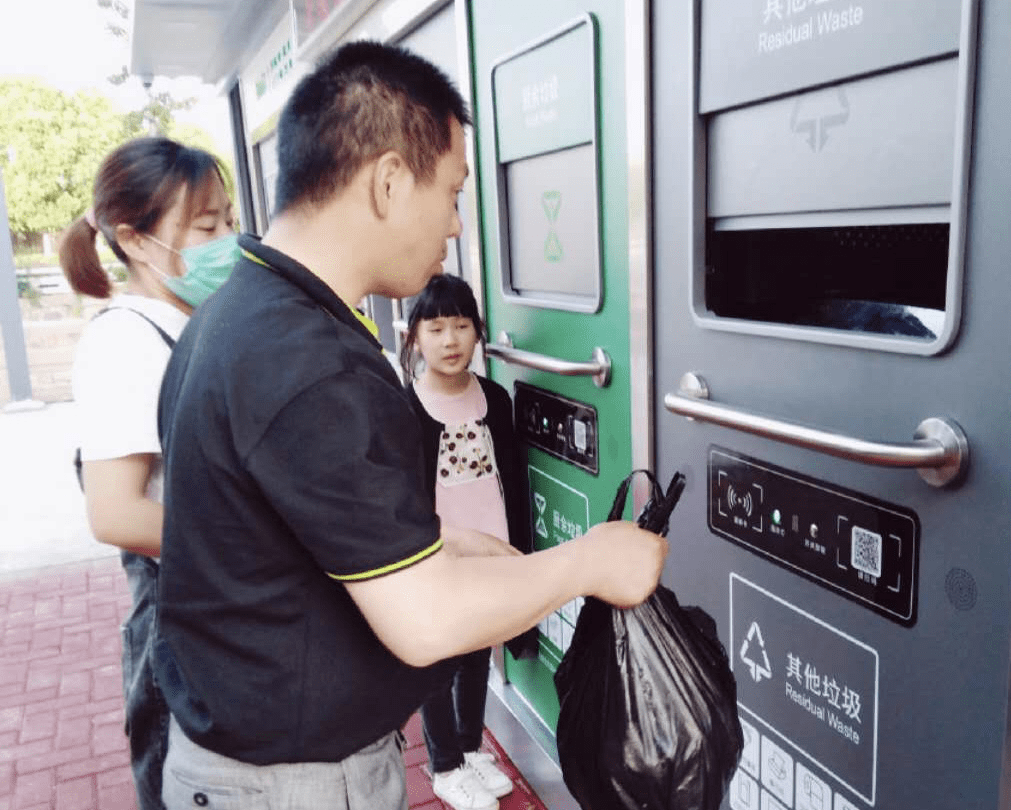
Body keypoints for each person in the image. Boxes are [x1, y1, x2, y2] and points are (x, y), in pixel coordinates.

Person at [153, 40, 667, 810]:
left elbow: (286, 526)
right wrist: (591, 562)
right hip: (293, 784)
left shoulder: (235, 317)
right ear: (390, 181)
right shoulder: (306, 360)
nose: (456, 225)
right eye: (453, 192)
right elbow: (426, 621)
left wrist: (446, 542)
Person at [58, 136, 236, 810]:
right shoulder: (124, 341)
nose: (228, 241)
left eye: (229, 219)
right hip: (181, 612)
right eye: (207, 227)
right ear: (133, 239)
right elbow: (116, 513)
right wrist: (254, 546)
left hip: (224, 596)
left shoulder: (194, 320)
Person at [400, 274, 537, 810]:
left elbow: (513, 480)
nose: (450, 340)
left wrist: (518, 549)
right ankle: (444, 765)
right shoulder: (407, 408)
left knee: (479, 650)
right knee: (440, 659)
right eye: (436, 328)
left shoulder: (494, 399)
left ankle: (469, 746)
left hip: (490, 552)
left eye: (461, 326)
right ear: (414, 337)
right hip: (438, 558)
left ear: (478, 332)